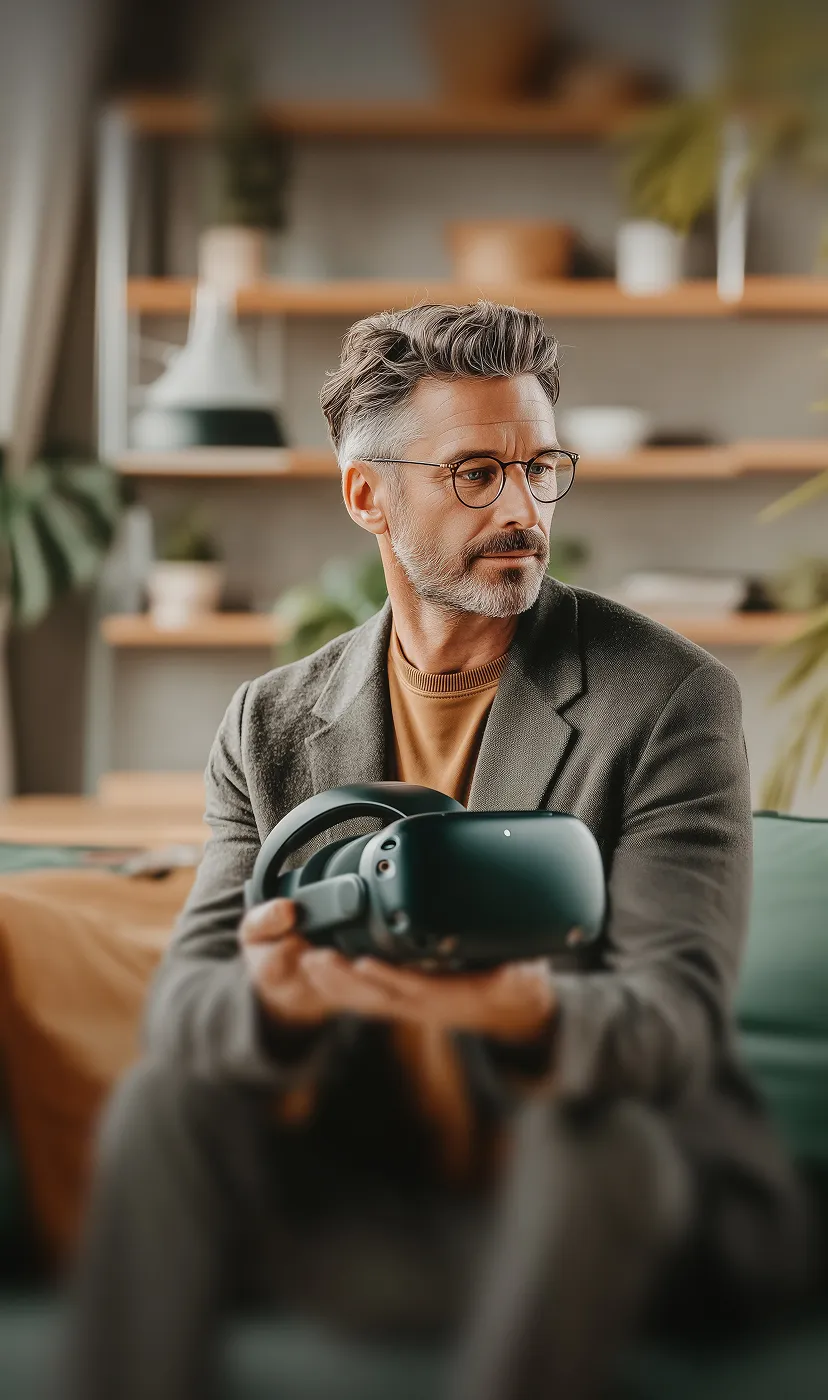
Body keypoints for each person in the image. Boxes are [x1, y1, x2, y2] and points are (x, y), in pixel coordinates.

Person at [62, 301, 814, 1400]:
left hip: (627, 1217)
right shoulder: (269, 725)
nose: (521, 507)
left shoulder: (667, 701)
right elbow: (186, 1005)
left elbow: (673, 1023)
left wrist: (522, 1013)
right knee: (165, 1101)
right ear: (368, 493)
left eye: (540, 466)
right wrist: (274, 998)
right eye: (475, 472)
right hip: (389, 1208)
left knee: (589, 1135)